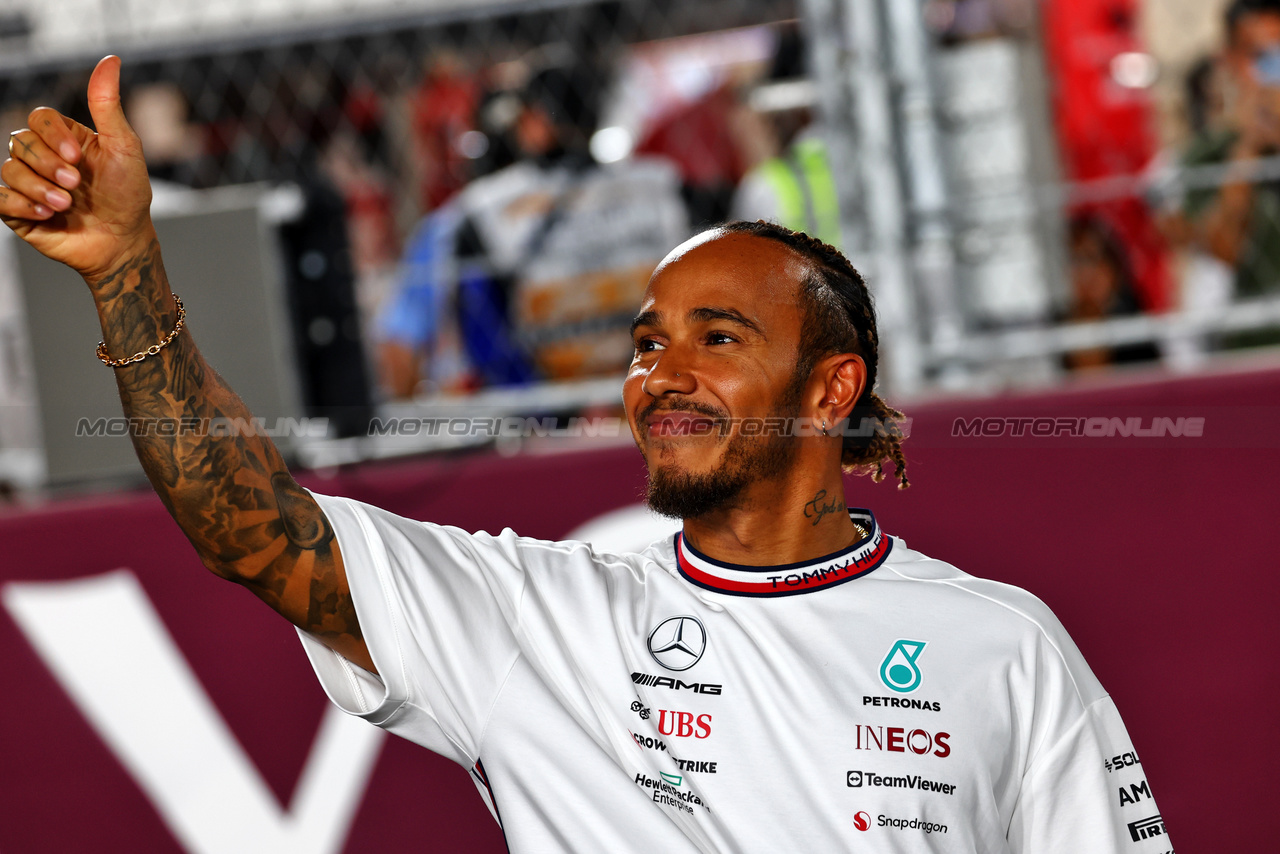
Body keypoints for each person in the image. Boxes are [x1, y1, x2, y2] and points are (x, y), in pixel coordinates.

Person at [2, 57, 1169, 852]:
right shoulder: (534, 614)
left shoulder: (1003, 644)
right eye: (646, 341)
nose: (662, 370)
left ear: (830, 386)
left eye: (718, 338)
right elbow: (251, 527)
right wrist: (123, 273)